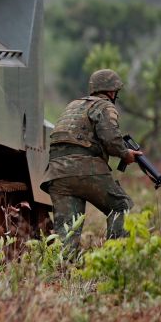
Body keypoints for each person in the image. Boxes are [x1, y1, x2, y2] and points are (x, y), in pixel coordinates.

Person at [40, 69, 138, 255]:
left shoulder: (73, 106)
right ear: (112, 92)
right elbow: (111, 140)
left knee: (67, 231)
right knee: (121, 206)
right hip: (86, 170)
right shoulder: (105, 106)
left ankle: (61, 273)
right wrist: (126, 155)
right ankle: (114, 257)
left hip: (57, 173)